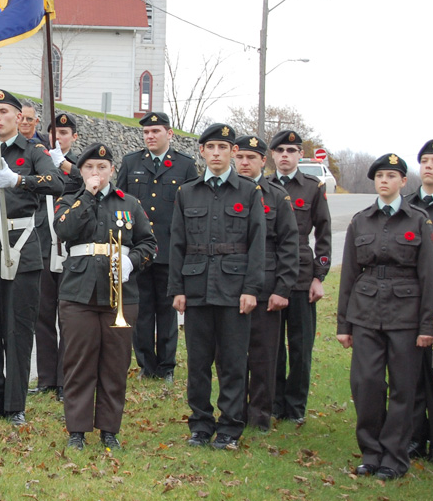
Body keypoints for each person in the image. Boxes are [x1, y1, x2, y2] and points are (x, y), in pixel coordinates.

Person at [0, 90, 63, 425]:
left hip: (22, 248)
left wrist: (19, 180)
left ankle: (14, 404)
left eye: (5, 111)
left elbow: (57, 183)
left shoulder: (34, 152)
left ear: (19, 118)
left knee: (18, 331)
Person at [337, 153, 433, 481]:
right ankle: (371, 451)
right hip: (365, 313)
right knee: (366, 384)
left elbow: (428, 278)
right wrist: (343, 324)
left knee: (404, 388)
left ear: (403, 182)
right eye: (380, 175)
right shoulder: (360, 220)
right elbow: (349, 274)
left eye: (392, 176)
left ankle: (394, 457)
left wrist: (427, 327)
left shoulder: (419, 220)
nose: (384, 181)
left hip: (405, 316)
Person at [54, 143, 156, 451]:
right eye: (89, 168)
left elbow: (149, 245)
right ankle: (77, 430)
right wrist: (87, 195)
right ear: (81, 172)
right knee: (78, 363)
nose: (96, 173)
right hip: (78, 294)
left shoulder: (130, 204)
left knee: (115, 364)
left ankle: (109, 429)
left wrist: (132, 261)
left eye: (101, 168)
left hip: (120, 296)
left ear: (112, 170)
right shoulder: (69, 201)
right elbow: (63, 231)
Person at [169, 123, 264, 450]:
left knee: (233, 362)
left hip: (234, 290)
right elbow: (177, 244)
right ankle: (199, 424)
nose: (216, 154)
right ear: (202, 152)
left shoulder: (249, 192)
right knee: (197, 362)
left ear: (233, 152)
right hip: (196, 288)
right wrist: (177, 288)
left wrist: (251, 288)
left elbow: (257, 245)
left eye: (223, 148)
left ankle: (230, 427)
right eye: (210, 148)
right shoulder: (187, 192)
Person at [117, 112, 199, 384]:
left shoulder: (185, 166)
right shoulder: (131, 163)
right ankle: (145, 364)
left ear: (169, 133)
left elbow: (191, 210)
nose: (150, 136)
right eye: (146, 132)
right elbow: (119, 203)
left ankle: (166, 366)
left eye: (156, 131)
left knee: (166, 310)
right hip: (138, 250)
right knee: (140, 309)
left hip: (168, 249)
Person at [232, 135, 299, 432]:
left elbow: (289, 245)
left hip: (267, 286)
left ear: (263, 161)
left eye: (251, 158)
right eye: (241, 157)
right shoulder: (226, 191)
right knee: (232, 354)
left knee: (262, 355)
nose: (245, 163)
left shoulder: (276, 196)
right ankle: (233, 411)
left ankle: (259, 415)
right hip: (231, 284)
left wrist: (282, 289)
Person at [267, 129, 331, 424]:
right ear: (272, 155)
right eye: (279, 151)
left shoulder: (312, 187)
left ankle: (295, 408)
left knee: (300, 346)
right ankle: (275, 403)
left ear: (299, 156)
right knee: (272, 346)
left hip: (303, 276)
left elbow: (324, 235)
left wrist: (319, 276)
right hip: (271, 274)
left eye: (291, 151)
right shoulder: (262, 187)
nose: (284, 156)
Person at [31, 112, 80, 398]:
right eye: (54, 133)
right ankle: (46, 378)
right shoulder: (40, 161)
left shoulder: (79, 165)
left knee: (69, 318)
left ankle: (66, 380)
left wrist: (65, 165)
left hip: (71, 251)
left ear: (73, 137)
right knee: (42, 316)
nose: (58, 138)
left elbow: (90, 182)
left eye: (64, 133)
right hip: (43, 246)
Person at [408, 139, 433, 465]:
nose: (429, 166)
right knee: (412, 373)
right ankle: (415, 437)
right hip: (410, 300)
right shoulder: (408, 206)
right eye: (425, 161)